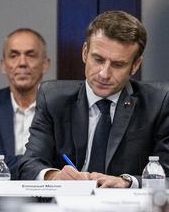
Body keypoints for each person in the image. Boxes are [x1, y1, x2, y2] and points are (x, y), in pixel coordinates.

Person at [18, 10, 169, 188]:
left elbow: (166, 173)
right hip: (65, 202)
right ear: (85, 53)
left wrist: (127, 182)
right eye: (98, 59)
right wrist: (54, 176)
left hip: (125, 203)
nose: (104, 74)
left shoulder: (158, 102)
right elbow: (29, 165)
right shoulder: (53, 98)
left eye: (118, 64)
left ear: (135, 65)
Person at [0, 28, 50, 190]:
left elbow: (63, 166)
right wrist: (40, 166)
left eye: (30, 55)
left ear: (45, 64)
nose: (22, 63)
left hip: (45, 198)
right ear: (3, 65)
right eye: (14, 55)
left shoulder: (58, 107)